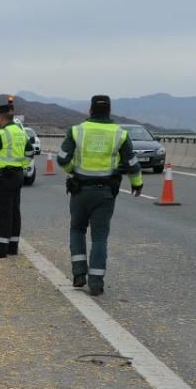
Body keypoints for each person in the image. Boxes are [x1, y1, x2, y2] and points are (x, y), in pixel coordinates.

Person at [56, 95, 143, 295]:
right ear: (109, 111)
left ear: (90, 110)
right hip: (105, 193)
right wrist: (137, 183)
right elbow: (131, 163)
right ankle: (96, 283)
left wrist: (73, 169)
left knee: (77, 229)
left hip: (80, 190)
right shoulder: (119, 133)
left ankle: (79, 273)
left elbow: (62, 159)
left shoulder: (77, 131)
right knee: (99, 237)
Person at [0, 103, 34, 258]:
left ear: (0, 117)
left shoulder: (2, 134)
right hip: (17, 175)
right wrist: (22, 166)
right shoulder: (20, 132)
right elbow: (30, 152)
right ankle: (12, 246)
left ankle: (0, 249)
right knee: (14, 211)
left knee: (2, 212)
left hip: (4, 176)